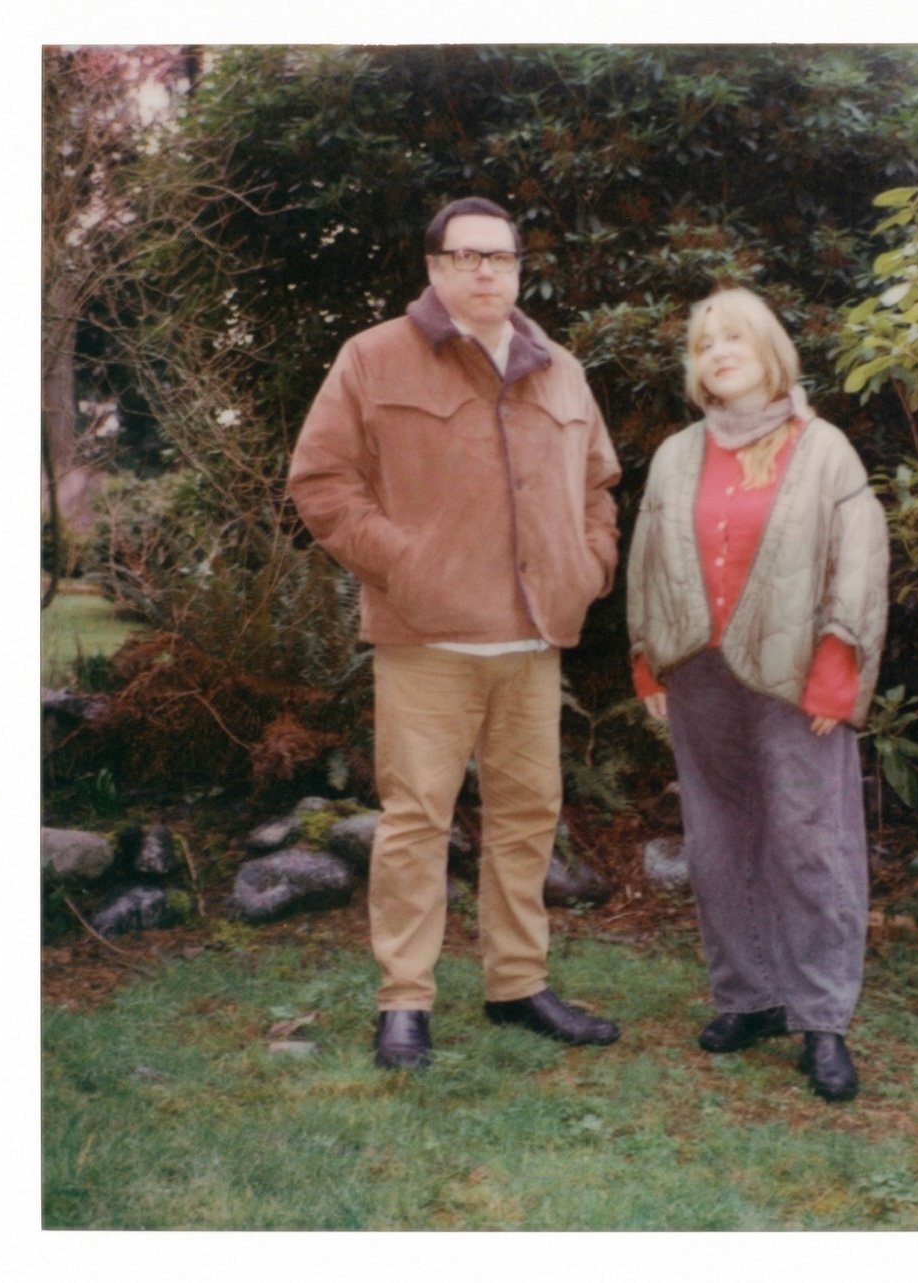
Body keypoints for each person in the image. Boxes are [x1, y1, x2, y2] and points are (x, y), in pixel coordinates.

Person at [288, 196, 623, 1071]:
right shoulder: (373, 358)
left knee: (525, 818)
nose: (485, 272)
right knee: (416, 821)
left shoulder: (562, 370)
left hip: (532, 643)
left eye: (501, 258)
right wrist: (406, 561)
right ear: (434, 266)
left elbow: (598, 489)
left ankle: (517, 982)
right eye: (467, 256)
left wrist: (587, 566)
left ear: (518, 268)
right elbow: (322, 481)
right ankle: (404, 1000)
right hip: (427, 639)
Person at [626, 286, 888, 1101]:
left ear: (769, 350)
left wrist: (838, 669)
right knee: (718, 841)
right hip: (699, 674)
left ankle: (821, 1020)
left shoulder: (825, 449)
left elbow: (860, 559)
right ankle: (750, 997)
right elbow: (647, 558)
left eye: (735, 338)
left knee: (811, 844)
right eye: (705, 343)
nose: (719, 353)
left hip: (795, 676)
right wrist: (647, 657)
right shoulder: (675, 454)